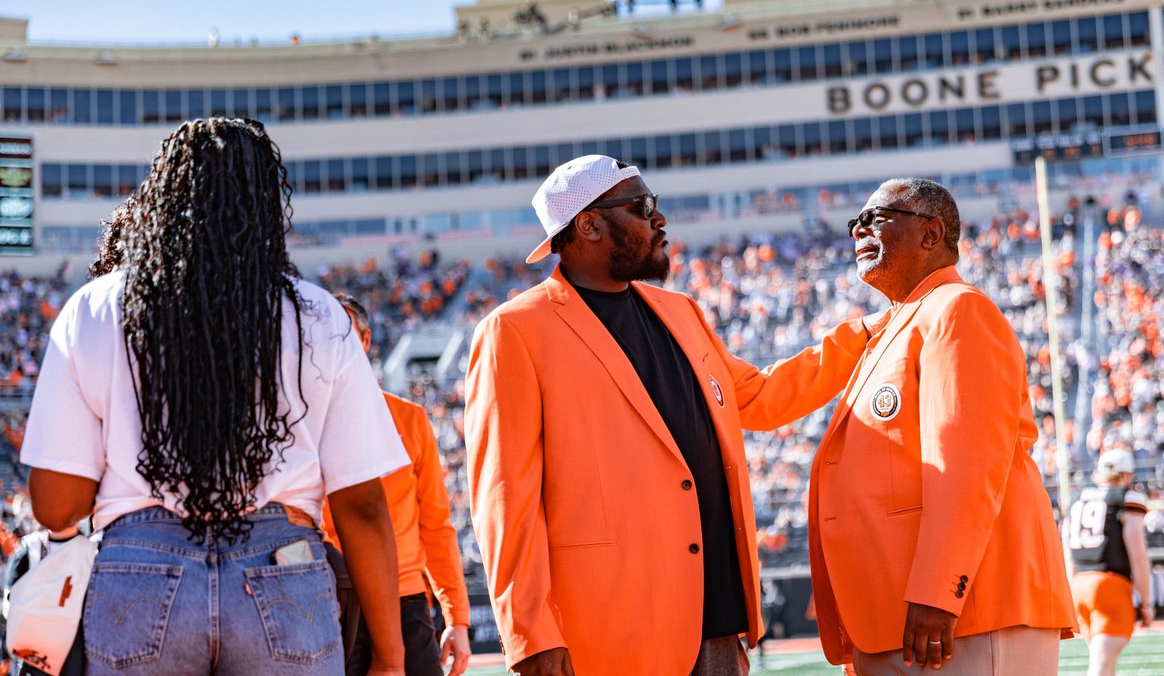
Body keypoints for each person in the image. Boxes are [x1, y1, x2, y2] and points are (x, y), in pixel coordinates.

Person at [20, 118, 409, 675]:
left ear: (160, 200)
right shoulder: (319, 315)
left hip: (139, 574)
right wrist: (391, 660)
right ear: (265, 205)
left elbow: (57, 506)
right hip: (284, 568)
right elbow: (363, 506)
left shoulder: (94, 308)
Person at [465, 154, 876, 676]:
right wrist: (530, 635)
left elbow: (760, 397)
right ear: (588, 225)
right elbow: (504, 501)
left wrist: (864, 335)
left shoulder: (681, 312)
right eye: (641, 207)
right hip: (608, 632)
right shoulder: (514, 331)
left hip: (717, 623)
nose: (659, 220)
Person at [802, 178, 1076, 674]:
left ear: (931, 235)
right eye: (855, 222)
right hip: (900, 616)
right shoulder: (897, 326)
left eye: (876, 217)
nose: (859, 230)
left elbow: (965, 464)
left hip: (967, 611)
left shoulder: (957, 309)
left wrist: (939, 590)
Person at [323, 294, 472, 676]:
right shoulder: (299, 423)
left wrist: (456, 617)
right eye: (323, 337)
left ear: (367, 341)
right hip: (330, 601)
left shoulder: (411, 419)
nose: (333, 347)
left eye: (344, 335)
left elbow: (436, 526)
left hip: (405, 600)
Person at [1064, 449, 1153, 676]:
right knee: (1100, 668)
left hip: (1078, 586)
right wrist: (1146, 602)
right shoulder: (1126, 498)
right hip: (1110, 586)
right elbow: (1137, 554)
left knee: (1105, 664)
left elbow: (1066, 548)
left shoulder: (1077, 498)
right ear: (1125, 474)